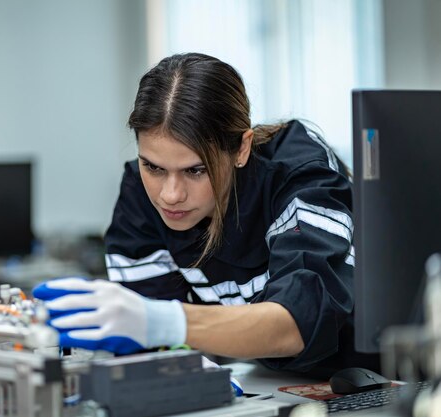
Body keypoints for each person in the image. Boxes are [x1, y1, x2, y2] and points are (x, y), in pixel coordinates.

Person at [33, 52, 355, 372]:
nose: (170, 195)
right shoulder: (140, 194)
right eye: (153, 167)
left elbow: (300, 319)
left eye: (196, 170)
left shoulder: (299, 175)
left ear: (241, 149)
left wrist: (163, 321)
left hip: (373, 376)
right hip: (271, 381)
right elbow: (163, 351)